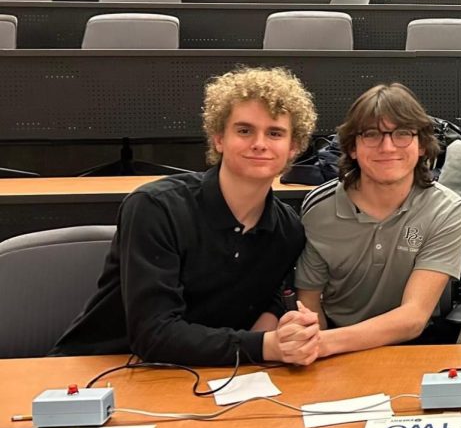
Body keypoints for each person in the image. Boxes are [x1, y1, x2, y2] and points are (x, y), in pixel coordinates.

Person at [53, 67, 320, 366]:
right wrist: (264, 346)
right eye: (244, 131)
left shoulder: (288, 230)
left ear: (293, 147)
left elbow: (272, 298)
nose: (259, 143)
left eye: (275, 133)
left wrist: (285, 332)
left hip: (214, 373)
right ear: (219, 138)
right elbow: (152, 335)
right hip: (108, 370)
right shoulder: (154, 208)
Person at [294, 84, 461, 356]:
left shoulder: (448, 210)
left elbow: (413, 318)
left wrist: (322, 345)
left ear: (422, 145)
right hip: (335, 345)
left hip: (413, 347)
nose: (387, 147)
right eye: (372, 134)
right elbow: (309, 302)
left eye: (402, 133)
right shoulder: (319, 207)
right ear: (352, 147)